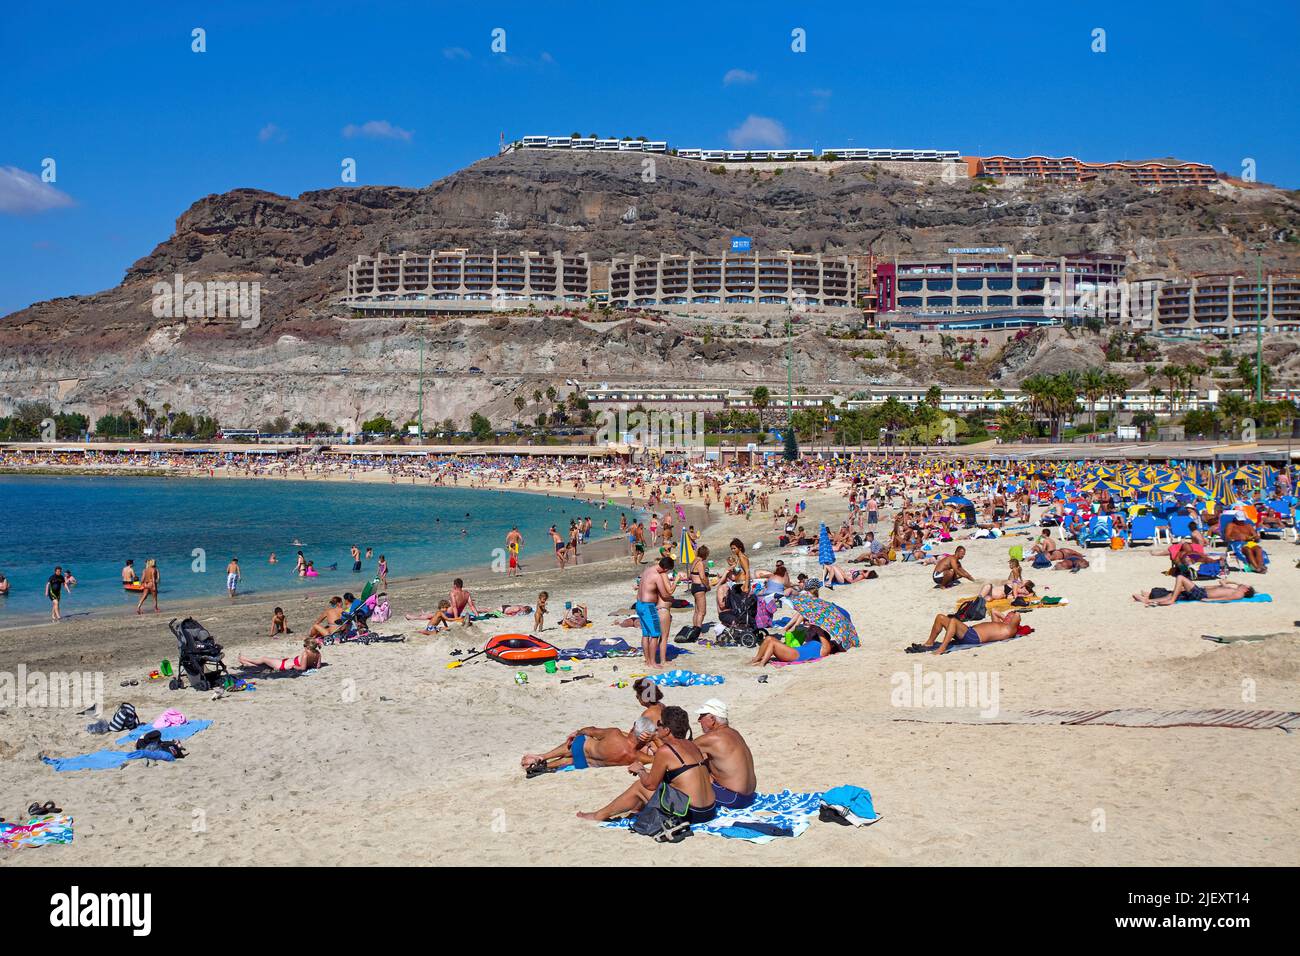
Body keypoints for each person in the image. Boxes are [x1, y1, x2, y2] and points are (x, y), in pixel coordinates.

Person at [577, 706, 716, 824]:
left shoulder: (666, 751)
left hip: (692, 813)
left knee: (640, 786)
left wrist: (640, 770)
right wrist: (655, 738)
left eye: (659, 724)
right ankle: (634, 808)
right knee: (661, 783)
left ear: (667, 729)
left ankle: (598, 815)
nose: (657, 727)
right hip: (709, 810)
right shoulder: (691, 745)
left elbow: (650, 785)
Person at [521, 719, 656, 774]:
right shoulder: (636, 756)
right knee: (569, 760)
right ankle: (545, 766)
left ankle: (542, 756)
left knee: (574, 744)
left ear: (633, 727)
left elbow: (591, 730)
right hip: (585, 763)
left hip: (580, 747)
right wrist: (654, 738)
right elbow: (657, 758)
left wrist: (578, 732)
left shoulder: (615, 734)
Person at [694, 699, 758, 811]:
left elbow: (679, 752)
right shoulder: (734, 733)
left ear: (712, 719)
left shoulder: (712, 738)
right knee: (703, 763)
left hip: (733, 799)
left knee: (685, 776)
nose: (699, 720)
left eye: (702, 716)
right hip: (749, 796)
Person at [918, 608, 1023, 654]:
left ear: (1014, 622)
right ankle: (929, 642)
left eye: (1010, 617)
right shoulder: (1000, 624)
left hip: (974, 637)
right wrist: (1005, 618)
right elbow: (993, 611)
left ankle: (942, 648)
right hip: (969, 632)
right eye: (1007, 615)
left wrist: (1011, 617)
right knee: (940, 617)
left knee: (954, 621)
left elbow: (1017, 615)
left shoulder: (1009, 629)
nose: (1007, 617)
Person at [636, 557, 675, 668]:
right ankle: (652, 662)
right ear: (666, 568)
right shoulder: (657, 576)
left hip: (639, 604)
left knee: (645, 634)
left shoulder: (647, 570)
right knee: (655, 634)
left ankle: (648, 661)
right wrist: (672, 596)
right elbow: (665, 594)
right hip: (648, 606)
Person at [1132, 578, 1256, 606]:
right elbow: (1222, 583)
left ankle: (1171, 600)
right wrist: (1233, 582)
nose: (1243, 584)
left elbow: (1227, 599)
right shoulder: (1235, 589)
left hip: (1203, 594)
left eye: (1245, 585)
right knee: (1177, 591)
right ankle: (1148, 599)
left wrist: (1210, 600)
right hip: (1202, 591)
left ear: (1246, 589)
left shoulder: (1239, 594)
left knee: (1180, 578)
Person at [238, 636, 322, 673]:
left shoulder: (305, 654)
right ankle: (245, 662)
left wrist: (293, 667)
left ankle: (245, 659)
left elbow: (302, 668)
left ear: (307, 646)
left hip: (283, 665)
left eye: (304, 645)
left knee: (264, 659)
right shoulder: (318, 653)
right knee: (263, 666)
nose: (303, 647)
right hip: (284, 663)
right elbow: (318, 666)